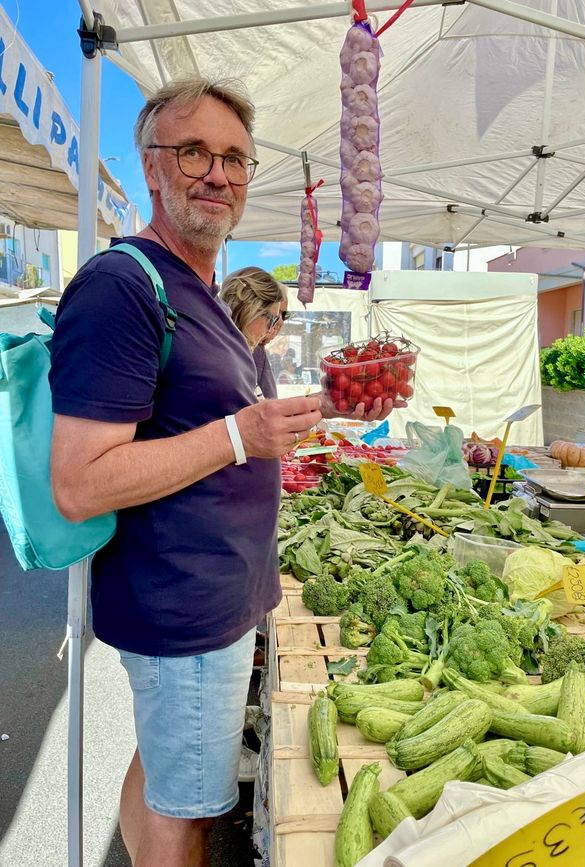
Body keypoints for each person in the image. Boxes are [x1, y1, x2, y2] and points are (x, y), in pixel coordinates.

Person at [48, 77, 395, 867]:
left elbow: (218, 426)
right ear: (151, 165)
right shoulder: (120, 287)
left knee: (164, 777)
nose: (218, 173)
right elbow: (79, 483)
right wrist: (240, 435)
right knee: (189, 819)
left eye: (235, 158)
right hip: (185, 610)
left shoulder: (197, 290)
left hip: (210, 602)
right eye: (194, 151)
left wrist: (314, 413)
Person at [219, 266, 287, 399]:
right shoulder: (229, 363)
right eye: (272, 319)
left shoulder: (229, 351)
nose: (270, 329)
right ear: (251, 311)